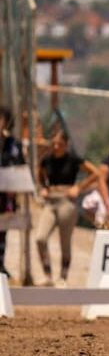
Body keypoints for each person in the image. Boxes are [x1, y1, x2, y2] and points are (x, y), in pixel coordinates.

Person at [36, 130, 99, 287]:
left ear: (66, 144)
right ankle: (48, 274)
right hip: (50, 201)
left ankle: (63, 277)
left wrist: (79, 187)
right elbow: (39, 175)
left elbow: (95, 173)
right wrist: (43, 187)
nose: (57, 147)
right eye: (54, 143)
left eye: (60, 144)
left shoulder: (73, 159)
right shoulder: (46, 160)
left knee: (65, 241)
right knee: (40, 238)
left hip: (67, 201)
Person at [0, 106, 26, 278]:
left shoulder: (13, 144)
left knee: (2, 230)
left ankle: (0, 264)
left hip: (6, 194)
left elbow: (20, 166)